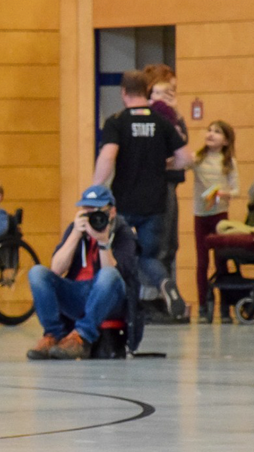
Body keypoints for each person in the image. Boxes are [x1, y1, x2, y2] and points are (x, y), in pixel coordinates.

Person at [92, 70, 192, 320]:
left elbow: (108, 156)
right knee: (149, 256)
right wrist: (162, 164)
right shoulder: (162, 122)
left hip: (125, 201)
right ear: (147, 92)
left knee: (116, 252)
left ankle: (120, 306)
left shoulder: (117, 121)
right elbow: (186, 158)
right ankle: (164, 283)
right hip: (156, 203)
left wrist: (95, 187)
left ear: (124, 93)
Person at [27, 186, 142, 360]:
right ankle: (53, 335)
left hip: (109, 297)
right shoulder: (76, 229)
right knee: (37, 273)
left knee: (107, 275)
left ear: (111, 212)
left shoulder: (123, 233)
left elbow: (116, 275)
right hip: (77, 293)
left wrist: (103, 242)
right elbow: (56, 269)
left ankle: (82, 336)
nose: (91, 216)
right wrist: (75, 234)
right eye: (86, 210)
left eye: (97, 210)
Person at [190, 120, 240, 323]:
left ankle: (225, 308)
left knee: (221, 262)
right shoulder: (198, 158)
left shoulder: (229, 163)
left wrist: (223, 193)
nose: (211, 134)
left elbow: (236, 190)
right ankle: (202, 307)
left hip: (219, 217)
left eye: (217, 132)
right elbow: (181, 163)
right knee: (202, 262)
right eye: (209, 130)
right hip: (200, 216)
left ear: (226, 140)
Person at [145, 65, 188, 286]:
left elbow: (182, 141)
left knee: (171, 243)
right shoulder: (155, 112)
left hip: (171, 182)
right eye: (167, 90)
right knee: (159, 244)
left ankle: (167, 293)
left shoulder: (170, 114)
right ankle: (155, 295)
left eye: (173, 91)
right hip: (159, 184)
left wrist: (178, 113)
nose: (171, 95)